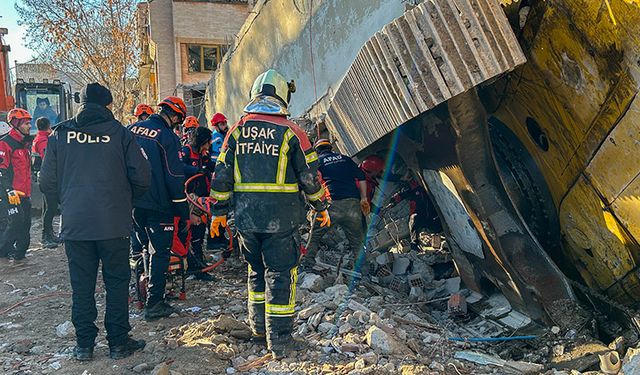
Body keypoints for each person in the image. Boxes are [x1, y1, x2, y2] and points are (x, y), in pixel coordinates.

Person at [210, 69, 330, 359]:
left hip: (247, 220)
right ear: (282, 95)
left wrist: (218, 213)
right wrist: (321, 207)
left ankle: (258, 330)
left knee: (256, 273)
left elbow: (221, 176)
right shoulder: (293, 132)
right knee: (280, 275)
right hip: (283, 218)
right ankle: (281, 341)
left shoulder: (236, 131)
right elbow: (310, 178)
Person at [39, 83, 151, 361]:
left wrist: (69, 200)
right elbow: (142, 177)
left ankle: (84, 346)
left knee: (82, 286)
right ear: (108, 105)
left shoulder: (60, 135)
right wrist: (125, 201)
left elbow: (46, 182)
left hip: (76, 225)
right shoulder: (120, 134)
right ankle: (117, 342)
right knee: (115, 282)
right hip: (113, 223)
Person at [129, 96, 191, 321]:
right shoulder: (168, 137)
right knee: (160, 251)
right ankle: (154, 302)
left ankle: (140, 292)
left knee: (142, 247)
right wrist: (183, 212)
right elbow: (174, 177)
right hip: (159, 204)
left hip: (133, 203)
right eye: (178, 121)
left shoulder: (131, 129)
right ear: (175, 116)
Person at [303, 139, 369, 272]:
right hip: (352, 204)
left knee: (315, 235)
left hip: (331, 204)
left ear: (317, 150)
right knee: (357, 239)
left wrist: (314, 203)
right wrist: (363, 198)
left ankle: (307, 264)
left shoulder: (318, 162)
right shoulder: (345, 159)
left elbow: (312, 182)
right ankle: (364, 270)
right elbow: (362, 177)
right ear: (330, 148)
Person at [181, 126, 215, 281]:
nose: (209, 145)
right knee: (190, 232)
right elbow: (179, 167)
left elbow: (210, 166)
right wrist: (196, 171)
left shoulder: (204, 154)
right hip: (188, 198)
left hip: (201, 198)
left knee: (200, 231)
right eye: (207, 142)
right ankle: (195, 267)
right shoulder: (186, 151)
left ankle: (199, 265)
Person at [0, 108, 33, 263]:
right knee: (16, 222)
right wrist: (8, 190)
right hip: (12, 193)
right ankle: (3, 251)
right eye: (26, 123)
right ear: (16, 124)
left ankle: (20, 254)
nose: (29, 126)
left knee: (26, 223)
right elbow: (2, 170)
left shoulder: (24, 144)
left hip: (24, 192)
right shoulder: (5, 144)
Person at [386, 177, 442, 250]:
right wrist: (392, 202)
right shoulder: (412, 188)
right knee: (414, 219)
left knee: (438, 227)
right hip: (419, 217)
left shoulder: (428, 184)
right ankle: (414, 242)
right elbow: (401, 195)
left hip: (431, 216)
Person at [32, 117, 61, 248]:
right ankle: (46, 236)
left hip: (44, 177)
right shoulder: (44, 140)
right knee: (51, 208)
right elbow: (48, 158)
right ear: (48, 126)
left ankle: (49, 234)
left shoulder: (38, 138)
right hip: (49, 179)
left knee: (47, 208)